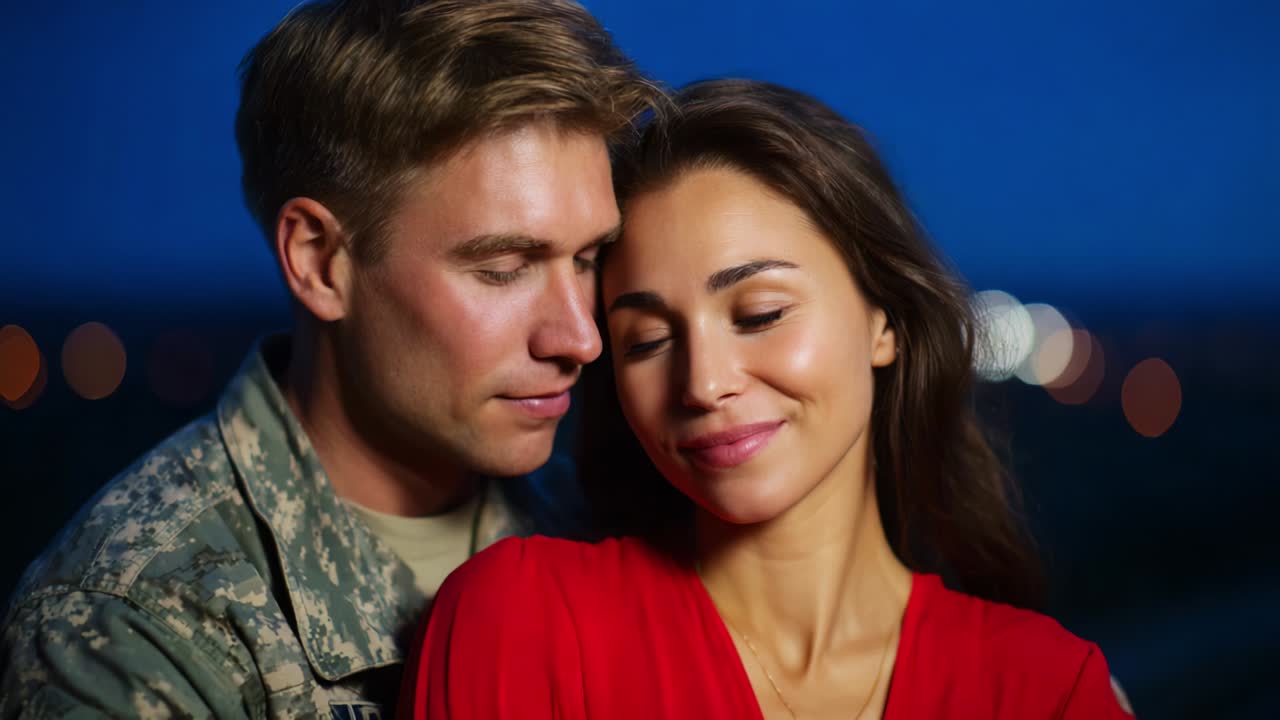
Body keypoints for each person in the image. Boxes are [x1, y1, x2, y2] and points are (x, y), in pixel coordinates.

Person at [0, 1, 659, 716]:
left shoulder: (597, 520)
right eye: (503, 267)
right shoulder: (129, 622)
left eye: (590, 258)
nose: (581, 339)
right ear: (319, 262)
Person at [401, 80, 1135, 719]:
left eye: (759, 315)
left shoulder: (1044, 687)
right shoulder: (525, 625)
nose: (703, 383)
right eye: (648, 341)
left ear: (884, 320)